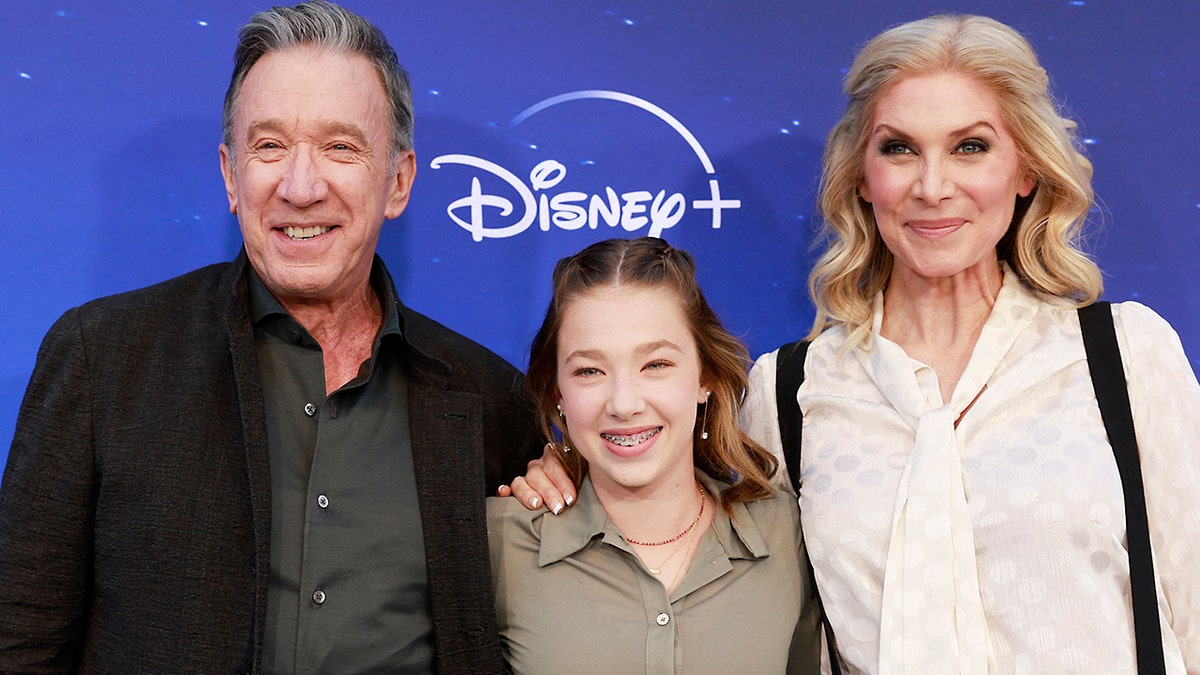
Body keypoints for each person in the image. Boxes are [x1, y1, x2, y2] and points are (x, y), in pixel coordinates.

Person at [507, 14, 1200, 673]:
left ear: (1025, 171)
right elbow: (675, 508)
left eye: (971, 146)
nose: (933, 186)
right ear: (864, 178)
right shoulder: (790, 394)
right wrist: (565, 463)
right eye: (899, 148)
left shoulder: (1124, 357)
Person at [0, 1, 540, 672]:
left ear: (397, 182)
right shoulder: (103, 358)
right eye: (270, 145)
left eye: (340, 146)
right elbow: (17, 639)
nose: (301, 185)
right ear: (231, 175)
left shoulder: (489, 399)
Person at [487, 237, 822, 673]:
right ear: (558, 391)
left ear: (705, 376)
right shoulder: (497, 543)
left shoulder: (785, 532)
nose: (624, 404)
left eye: (656, 365)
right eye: (590, 371)